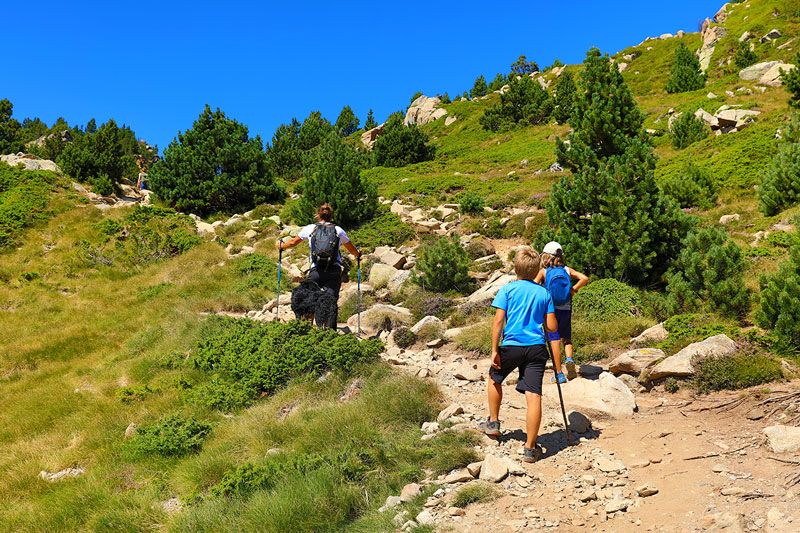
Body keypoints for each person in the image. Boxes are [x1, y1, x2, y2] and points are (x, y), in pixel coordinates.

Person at [479, 247, 565, 463]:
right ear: (537, 268)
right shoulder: (543, 293)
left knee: (494, 378)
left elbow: (498, 321)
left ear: (515, 268)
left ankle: (493, 423)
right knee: (534, 395)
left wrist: (494, 350)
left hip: (512, 345)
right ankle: (530, 448)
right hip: (536, 348)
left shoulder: (507, 290)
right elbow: (552, 327)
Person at [276, 204, 361, 328]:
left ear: (318, 215)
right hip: (333, 271)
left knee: (309, 299)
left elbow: (293, 242)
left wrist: (281, 246)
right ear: (331, 216)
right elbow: (352, 250)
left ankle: (306, 329)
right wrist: (358, 254)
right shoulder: (338, 230)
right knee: (331, 302)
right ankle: (330, 334)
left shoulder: (310, 228)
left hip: (315, 271)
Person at [534, 241, 589, 380]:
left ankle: (559, 374)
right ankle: (569, 359)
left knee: (554, 340)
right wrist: (572, 291)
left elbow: (533, 286)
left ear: (546, 257)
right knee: (567, 338)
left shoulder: (544, 272)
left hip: (551, 311)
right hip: (566, 308)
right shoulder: (566, 270)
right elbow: (584, 278)